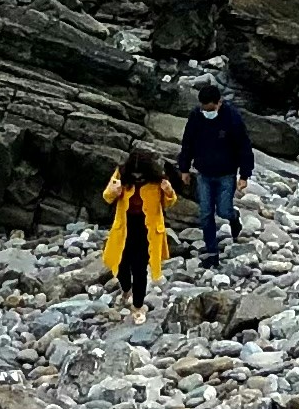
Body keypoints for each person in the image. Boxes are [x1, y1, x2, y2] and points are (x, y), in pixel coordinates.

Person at [177, 77, 255, 260]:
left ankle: (234, 218)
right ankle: (212, 250)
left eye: (210, 109)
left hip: (226, 173)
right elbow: (187, 142)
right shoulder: (196, 116)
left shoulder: (232, 118)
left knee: (224, 211)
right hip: (203, 172)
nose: (207, 112)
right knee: (205, 213)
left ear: (219, 103)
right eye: (204, 109)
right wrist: (184, 169)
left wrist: (244, 175)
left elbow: (244, 146)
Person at [100, 146, 173, 314]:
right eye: (134, 176)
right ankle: (126, 289)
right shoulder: (121, 175)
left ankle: (138, 306)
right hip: (125, 227)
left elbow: (168, 203)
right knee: (120, 264)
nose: (137, 178)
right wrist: (114, 191)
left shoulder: (157, 181)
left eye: (141, 176)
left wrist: (168, 191)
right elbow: (107, 196)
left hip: (147, 230)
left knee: (140, 269)